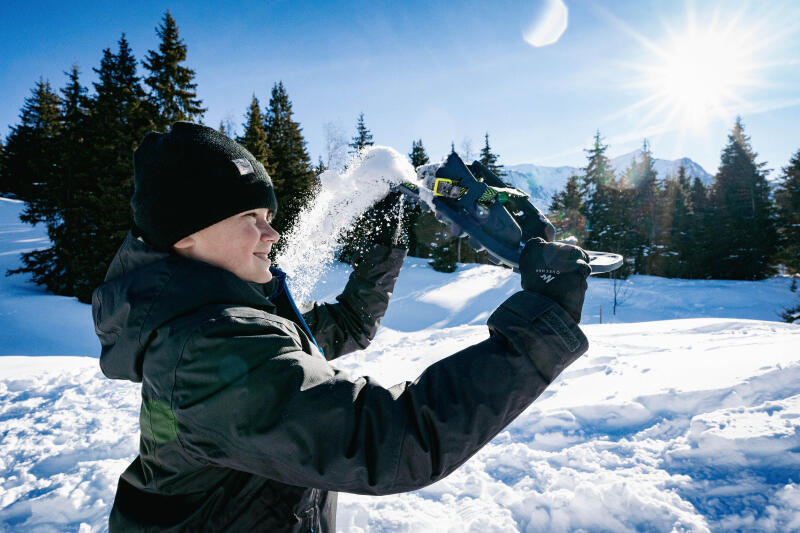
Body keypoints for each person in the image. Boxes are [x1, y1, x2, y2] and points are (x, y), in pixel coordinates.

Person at [93, 122, 591, 532]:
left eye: (268, 214)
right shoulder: (207, 348)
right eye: (249, 215)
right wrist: (542, 322)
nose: (272, 232)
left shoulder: (234, 318)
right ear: (184, 234)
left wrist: (387, 245)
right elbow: (389, 440)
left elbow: (348, 325)